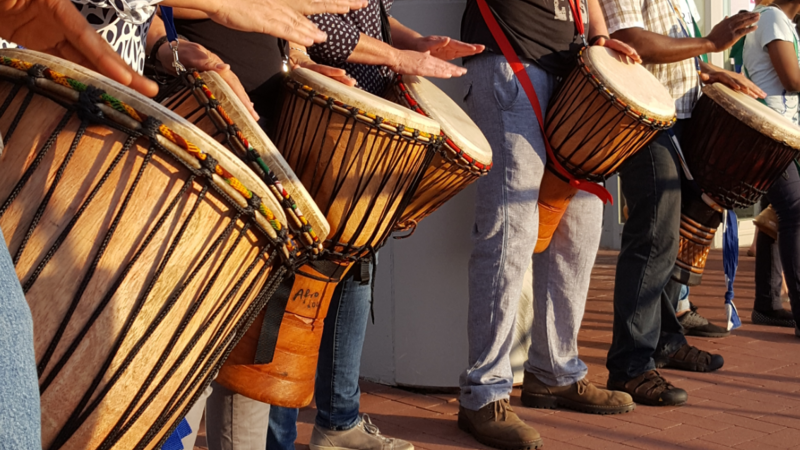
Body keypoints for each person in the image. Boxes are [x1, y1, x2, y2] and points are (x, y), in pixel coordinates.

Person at [149, 2, 481, 449]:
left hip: (267, 138)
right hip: (206, 126)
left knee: (250, 336)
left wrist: (300, 62)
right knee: (188, 327)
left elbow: (284, 23)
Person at [455, 1, 642, 449]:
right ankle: (484, 393)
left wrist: (598, 38)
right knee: (510, 230)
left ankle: (555, 370)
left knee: (581, 226)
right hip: (509, 54)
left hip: (573, 64)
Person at [598, 0, 764, 406]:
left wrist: (707, 68)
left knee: (672, 242)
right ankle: (630, 366)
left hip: (678, 116)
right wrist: (710, 40)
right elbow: (628, 41)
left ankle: (666, 341)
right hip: (644, 118)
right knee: (653, 239)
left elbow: (666, 56)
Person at [743, 0, 800, 332]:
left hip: (781, 133)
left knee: (774, 214)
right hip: (769, 133)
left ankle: (767, 303)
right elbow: (791, 79)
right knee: (795, 210)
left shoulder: (781, 22)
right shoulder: (773, 17)